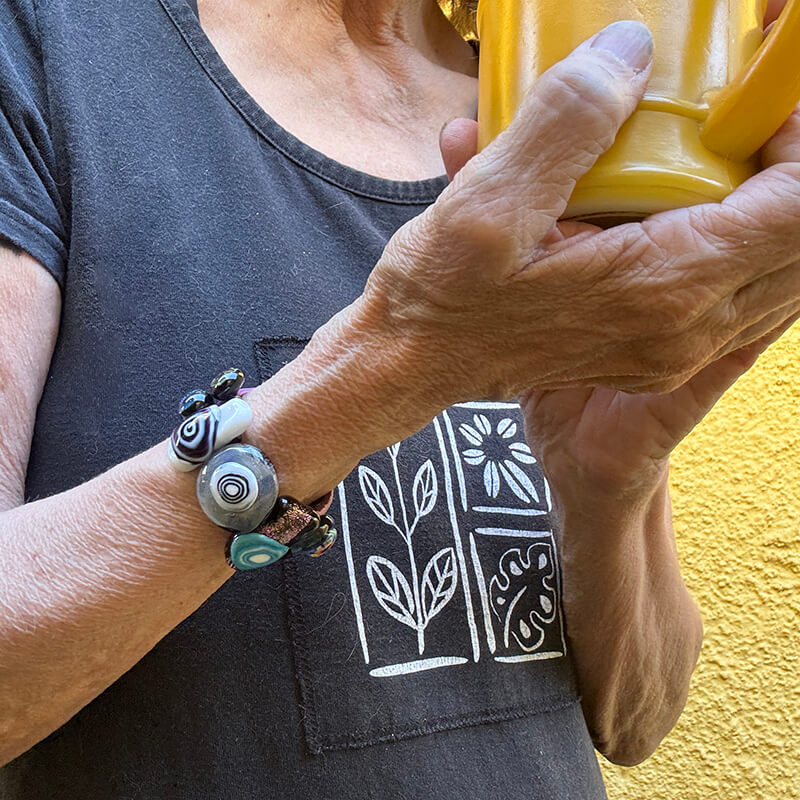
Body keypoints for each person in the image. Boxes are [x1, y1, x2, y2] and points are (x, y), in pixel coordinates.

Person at [0, 0, 797, 797]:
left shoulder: (550, 125)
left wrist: (608, 484)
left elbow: (636, 720)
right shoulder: (50, 49)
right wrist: (394, 366)